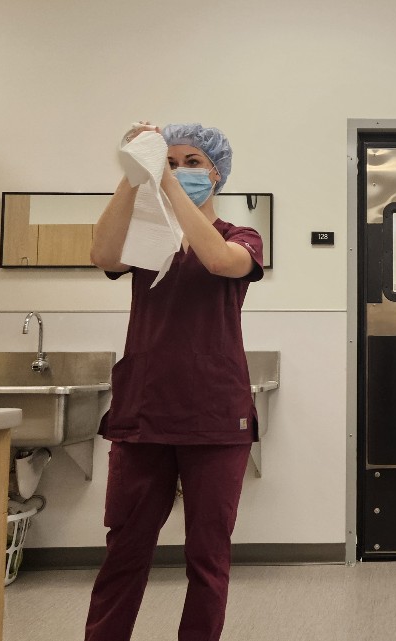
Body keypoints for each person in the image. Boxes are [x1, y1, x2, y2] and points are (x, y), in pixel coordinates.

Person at [84, 122, 264, 641]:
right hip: (143, 415)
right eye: (173, 160)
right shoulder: (148, 243)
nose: (181, 171)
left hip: (215, 417)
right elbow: (102, 254)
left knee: (208, 559)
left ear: (217, 175)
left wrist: (164, 182)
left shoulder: (240, 237)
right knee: (125, 551)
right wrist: (133, 171)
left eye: (192, 163)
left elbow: (215, 260)